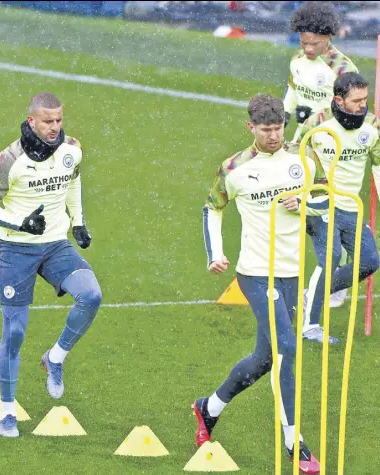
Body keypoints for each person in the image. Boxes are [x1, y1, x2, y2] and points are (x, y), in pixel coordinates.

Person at [196, 94, 327, 474]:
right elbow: (212, 207)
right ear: (251, 127)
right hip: (255, 271)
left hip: (292, 272)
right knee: (288, 346)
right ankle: (294, 443)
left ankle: (210, 408)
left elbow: (327, 199)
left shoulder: (303, 158)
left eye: (278, 128)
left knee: (265, 359)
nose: (273, 136)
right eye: (266, 130)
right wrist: (214, 253)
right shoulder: (234, 168)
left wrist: (304, 203)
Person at [0, 92, 102, 438]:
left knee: (91, 296)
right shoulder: (9, 159)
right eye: (48, 121)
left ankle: (56, 357)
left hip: (56, 245)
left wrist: (77, 221)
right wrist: (20, 223)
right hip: (17, 250)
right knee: (15, 332)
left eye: (59, 120)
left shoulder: (71, 149)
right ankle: (7, 412)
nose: (55, 127)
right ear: (31, 121)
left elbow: (74, 179)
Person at [283, 1, 359, 307]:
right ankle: (328, 272)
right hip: (303, 143)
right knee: (309, 213)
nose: (308, 48)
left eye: (313, 43)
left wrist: (316, 117)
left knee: (327, 211)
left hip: (331, 147)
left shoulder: (343, 69)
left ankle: (335, 281)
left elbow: (348, 110)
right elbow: (292, 91)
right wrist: (285, 116)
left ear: (327, 37)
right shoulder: (298, 59)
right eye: (303, 42)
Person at [297, 72, 380, 344]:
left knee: (370, 261)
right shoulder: (318, 127)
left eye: (365, 99)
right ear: (338, 100)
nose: (362, 106)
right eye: (356, 101)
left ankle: (315, 293)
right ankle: (310, 326)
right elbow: (297, 160)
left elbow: (378, 166)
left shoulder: (371, 128)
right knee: (330, 258)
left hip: (351, 207)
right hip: (321, 205)